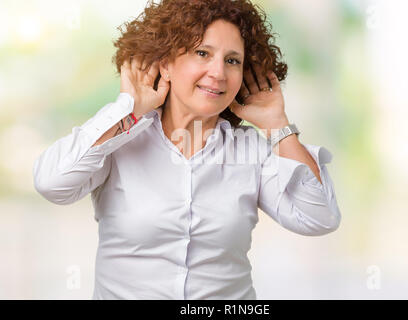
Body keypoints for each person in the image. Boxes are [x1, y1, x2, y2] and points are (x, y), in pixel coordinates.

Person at [33, 0, 341, 299]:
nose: (218, 72)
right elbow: (52, 184)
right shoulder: (119, 140)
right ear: (165, 64)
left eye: (232, 60)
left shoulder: (250, 151)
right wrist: (128, 110)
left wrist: (277, 123)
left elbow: (319, 218)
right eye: (203, 53)